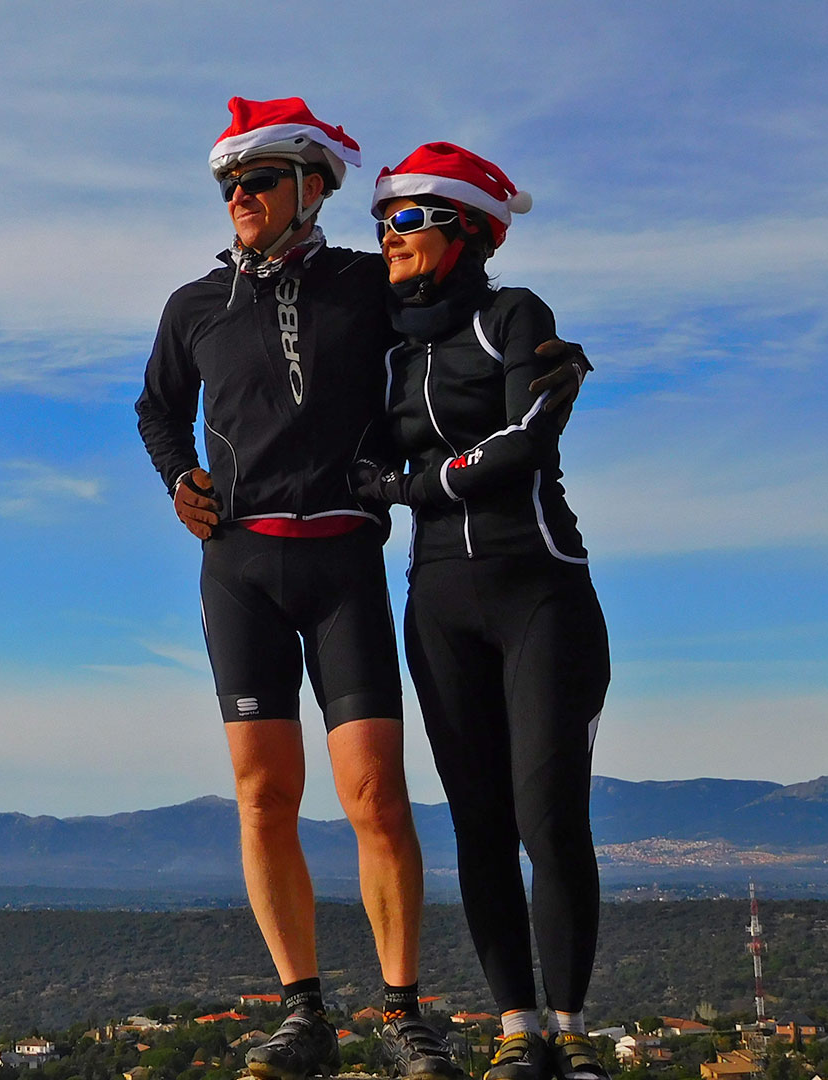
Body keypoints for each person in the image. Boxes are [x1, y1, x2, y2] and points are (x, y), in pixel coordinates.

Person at [137, 98, 581, 1080]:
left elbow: (451, 303)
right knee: (265, 795)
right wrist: (179, 481)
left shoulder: (362, 283)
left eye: (256, 181)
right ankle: (304, 1015)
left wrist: (536, 355)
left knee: (376, 793)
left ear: (311, 186)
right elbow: (156, 409)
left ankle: (403, 1011)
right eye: (227, 185)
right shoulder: (192, 307)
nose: (238, 198)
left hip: (345, 561)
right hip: (241, 565)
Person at [352, 143, 611, 1080]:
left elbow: (522, 445)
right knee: (478, 827)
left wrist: (413, 482)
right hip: (437, 609)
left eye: (410, 219)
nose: (390, 236)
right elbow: (354, 460)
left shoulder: (514, 316)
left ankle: (573, 1033)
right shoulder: (390, 345)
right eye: (383, 220)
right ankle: (518, 1031)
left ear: (465, 227)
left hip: (537, 590)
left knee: (549, 820)